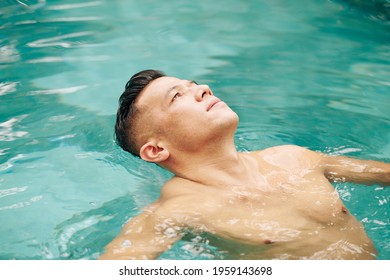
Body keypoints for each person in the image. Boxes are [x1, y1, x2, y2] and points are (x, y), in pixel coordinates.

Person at [100, 69, 390, 260]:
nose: (203, 88)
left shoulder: (294, 158)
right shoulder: (177, 211)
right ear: (156, 149)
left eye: (193, 85)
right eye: (177, 96)